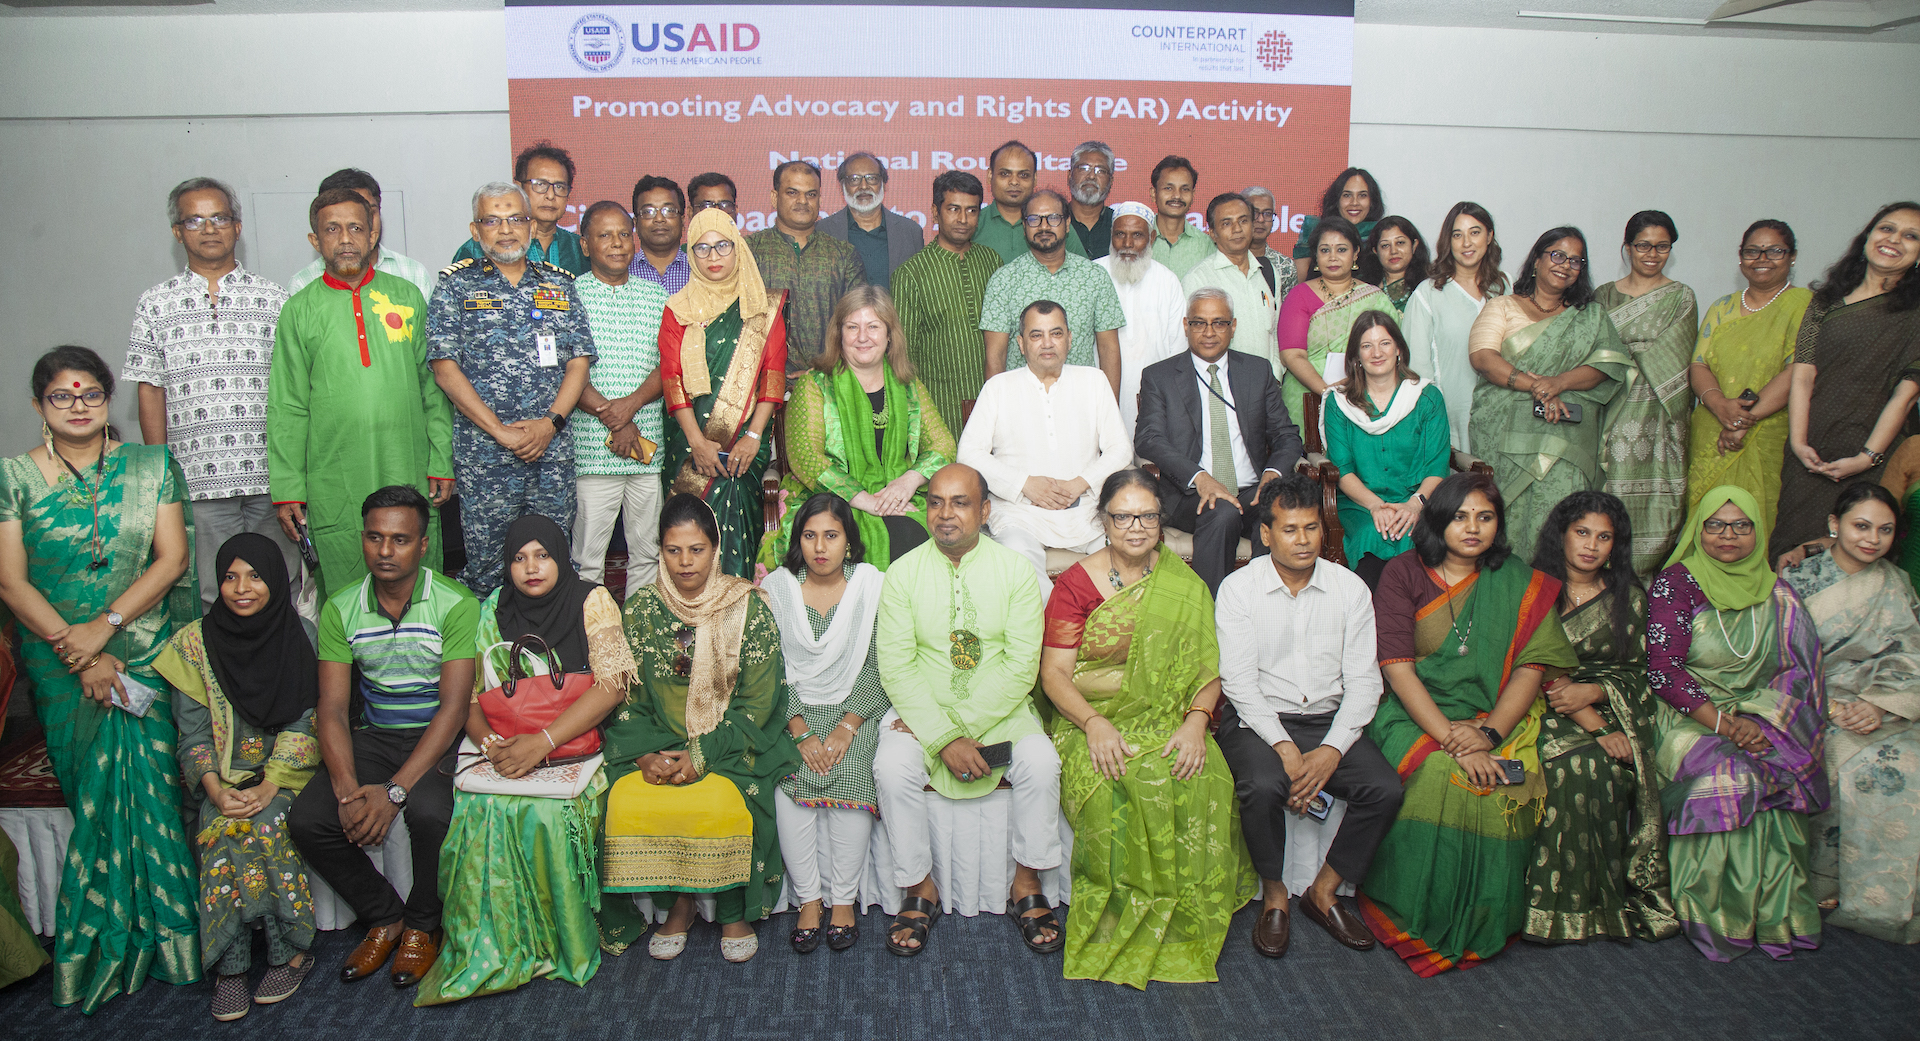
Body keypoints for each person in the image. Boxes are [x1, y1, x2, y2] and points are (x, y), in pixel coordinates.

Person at [0, 346, 200, 1012]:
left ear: (107, 399)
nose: (78, 405)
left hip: (140, 646)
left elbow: (171, 560)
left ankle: (169, 937)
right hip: (60, 665)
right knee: (92, 790)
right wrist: (80, 653)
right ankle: (101, 937)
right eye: (62, 396)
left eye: (90, 394)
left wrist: (107, 627)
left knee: (151, 788)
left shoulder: (152, 466)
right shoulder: (14, 478)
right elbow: (10, 579)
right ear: (39, 405)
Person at [1359, 472, 1580, 976]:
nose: (1473, 528)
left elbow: (1532, 665)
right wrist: (1451, 739)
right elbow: (1396, 666)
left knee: (1499, 786)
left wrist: (1488, 735)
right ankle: (1416, 913)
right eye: (1460, 516)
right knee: (1442, 775)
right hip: (1415, 714)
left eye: (1485, 517)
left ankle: (1484, 917)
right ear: (1438, 520)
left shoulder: (1518, 580)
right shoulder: (1403, 573)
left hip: (1497, 716)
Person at [1039, 469, 1253, 985]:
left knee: (1200, 773)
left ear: (1161, 520)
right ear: (1104, 521)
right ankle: (1120, 917)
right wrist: (1092, 724)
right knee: (1124, 778)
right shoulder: (1076, 585)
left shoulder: (1183, 582)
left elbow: (1206, 667)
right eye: (1123, 516)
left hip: (1168, 718)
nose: (1136, 526)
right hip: (1086, 720)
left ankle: (1185, 914)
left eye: (1148, 515)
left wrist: (1197, 723)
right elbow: (1053, 675)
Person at [415, 515, 633, 1004]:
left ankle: (560, 944)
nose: (531, 568)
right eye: (519, 558)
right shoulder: (490, 608)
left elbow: (614, 684)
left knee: (549, 815)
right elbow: (469, 698)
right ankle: (495, 946)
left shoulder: (591, 600)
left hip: (572, 748)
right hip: (507, 745)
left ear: (560, 556)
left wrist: (544, 741)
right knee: (480, 811)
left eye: (542, 555)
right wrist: (493, 747)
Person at [287, 486, 478, 990]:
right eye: (375, 538)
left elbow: (455, 708)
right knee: (309, 820)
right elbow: (330, 708)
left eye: (399, 539)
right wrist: (349, 790)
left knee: (430, 813)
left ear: (422, 544)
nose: (385, 551)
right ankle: (384, 916)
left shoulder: (455, 603)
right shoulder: (342, 607)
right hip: (376, 734)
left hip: (436, 735)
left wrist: (395, 791)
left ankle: (421, 924)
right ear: (363, 540)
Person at [598, 494, 796, 963]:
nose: (686, 563)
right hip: (659, 743)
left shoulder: (746, 607)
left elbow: (760, 701)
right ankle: (678, 904)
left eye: (697, 549)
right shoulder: (644, 608)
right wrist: (645, 753)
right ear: (660, 551)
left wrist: (703, 752)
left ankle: (732, 909)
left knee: (724, 796)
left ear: (717, 547)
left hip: (732, 742)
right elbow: (628, 696)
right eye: (673, 550)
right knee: (626, 794)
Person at [872, 464, 1061, 956]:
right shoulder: (902, 574)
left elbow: (1022, 667)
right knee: (891, 766)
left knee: (1040, 761)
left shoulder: (1016, 572)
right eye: (936, 502)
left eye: (960, 503)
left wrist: (956, 733)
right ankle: (919, 886)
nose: (946, 514)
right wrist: (942, 736)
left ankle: (1026, 880)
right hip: (922, 712)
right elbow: (895, 666)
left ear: (985, 510)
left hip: (1001, 713)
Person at [1213, 476, 1400, 960]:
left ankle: (1324, 890)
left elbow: (1364, 684)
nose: (1303, 540)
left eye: (1312, 528)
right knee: (1261, 786)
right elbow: (1237, 682)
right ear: (1267, 535)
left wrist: (1331, 751)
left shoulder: (1350, 589)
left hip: (1327, 719)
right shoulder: (1238, 589)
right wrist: (1284, 748)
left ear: (1324, 531)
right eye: (1290, 530)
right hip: (1258, 719)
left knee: (1384, 789)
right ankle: (1275, 895)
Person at [1648, 486, 1827, 961]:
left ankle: (1776, 918)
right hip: (1689, 715)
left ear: (1758, 530)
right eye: (1715, 524)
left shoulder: (1779, 593)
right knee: (1732, 775)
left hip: (1761, 715)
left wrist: (1759, 720)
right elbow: (1664, 669)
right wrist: (1725, 723)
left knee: (1773, 771)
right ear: (1698, 528)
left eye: (1741, 525)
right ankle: (1714, 914)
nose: (1728, 535)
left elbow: (1799, 669)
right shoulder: (1678, 583)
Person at [154, 533, 321, 1020]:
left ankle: (287, 952)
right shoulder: (191, 645)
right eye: (230, 576)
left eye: (255, 576)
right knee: (221, 824)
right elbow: (192, 734)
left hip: (286, 773)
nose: (242, 588)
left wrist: (272, 782)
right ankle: (230, 964)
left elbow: (306, 718)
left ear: (274, 580)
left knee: (265, 822)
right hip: (222, 778)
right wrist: (216, 790)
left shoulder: (300, 635)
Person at [270, 188, 454, 600]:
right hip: (334, 473)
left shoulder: (406, 297)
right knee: (346, 578)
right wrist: (287, 488)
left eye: (356, 227)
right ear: (315, 242)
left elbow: (433, 387)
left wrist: (441, 460)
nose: (346, 239)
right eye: (332, 229)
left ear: (373, 235)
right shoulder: (299, 310)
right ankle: (349, 665)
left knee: (416, 576)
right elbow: (287, 405)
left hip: (406, 460)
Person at [126, 176, 297, 607]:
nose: (208, 228)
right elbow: (151, 389)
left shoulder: (275, 298)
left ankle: (286, 674)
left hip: (271, 478)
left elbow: (296, 388)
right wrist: (159, 469)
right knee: (211, 592)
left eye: (219, 217)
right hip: (196, 479)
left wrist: (295, 471)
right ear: (177, 231)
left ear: (237, 227)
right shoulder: (155, 303)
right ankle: (218, 674)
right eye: (195, 220)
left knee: (282, 586)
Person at [1524, 492, 1680, 943]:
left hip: (1610, 703)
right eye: (1582, 532)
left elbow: (1640, 672)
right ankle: (1546, 909)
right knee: (1571, 765)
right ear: (1562, 534)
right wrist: (1591, 719)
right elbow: (1521, 662)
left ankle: (1597, 906)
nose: (1591, 545)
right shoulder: (1533, 588)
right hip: (1535, 702)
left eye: (1604, 537)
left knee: (1608, 768)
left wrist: (1595, 693)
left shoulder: (1628, 597)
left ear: (1617, 544)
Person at [1780, 483, 1920, 943]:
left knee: (1910, 763)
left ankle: (1889, 895)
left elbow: (1911, 655)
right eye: (1861, 526)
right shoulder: (1796, 582)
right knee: (1858, 764)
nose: (1872, 539)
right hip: (1812, 704)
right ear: (1833, 525)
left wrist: (1879, 704)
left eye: (1884, 530)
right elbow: (1778, 659)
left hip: (1885, 703)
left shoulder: (1894, 583)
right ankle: (1829, 883)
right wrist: (1834, 706)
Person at [763, 495, 890, 953]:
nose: (821, 547)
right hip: (791, 709)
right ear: (798, 541)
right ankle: (809, 900)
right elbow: (770, 669)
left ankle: (844, 900)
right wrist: (799, 730)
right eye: (810, 535)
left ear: (849, 542)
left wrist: (847, 726)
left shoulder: (872, 586)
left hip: (856, 707)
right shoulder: (777, 589)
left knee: (850, 770)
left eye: (831, 535)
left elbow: (880, 662)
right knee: (790, 779)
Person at [759, 286, 954, 570]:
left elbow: (944, 445)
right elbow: (807, 459)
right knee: (880, 538)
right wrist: (865, 501)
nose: (863, 337)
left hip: (897, 496)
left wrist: (907, 482)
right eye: (853, 327)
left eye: (873, 326)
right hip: (827, 499)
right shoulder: (815, 385)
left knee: (928, 536)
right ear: (839, 335)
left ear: (889, 335)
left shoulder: (909, 386)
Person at [1467, 226, 1628, 562]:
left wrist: (1560, 383)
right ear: (1537, 260)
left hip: (1567, 440)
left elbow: (1607, 365)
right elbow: (1483, 358)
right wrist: (1539, 387)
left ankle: (1557, 594)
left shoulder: (1591, 316)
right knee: (1507, 518)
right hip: (1504, 437)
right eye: (1557, 255)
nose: (1565, 264)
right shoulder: (1502, 306)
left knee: (1564, 513)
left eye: (1575, 260)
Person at [1773, 202, 1920, 560]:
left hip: (1874, 456)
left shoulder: (1914, 314)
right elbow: (1803, 374)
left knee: (1860, 552)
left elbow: (1906, 394)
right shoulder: (1824, 301)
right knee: (1791, 553)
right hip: (1809, 452)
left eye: (1911, 236)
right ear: (1868, 235)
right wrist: (1798, 443)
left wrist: (1866, 458)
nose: (1894, 239)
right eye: (1887, 228)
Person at [1135, 288, 1304, 592]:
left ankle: (1264, 612)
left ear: (1233, 326)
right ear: (1186, 326)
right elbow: (1149, 438)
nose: (1209, 333)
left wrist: (1272, 476)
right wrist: (1199, 478)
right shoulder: (1159, 376)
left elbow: (1286, 435)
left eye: (1219, 323)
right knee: (1222, 512)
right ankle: (1211, 617)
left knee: (1277, 510)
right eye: (1199, 323)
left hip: (1252, 489)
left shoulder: (1256, 371)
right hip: (1189, 496)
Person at [959, 301, 1131, 589]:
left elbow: (1121, 450)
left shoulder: (1094, 381)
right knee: (1017, 564)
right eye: (1036, 335)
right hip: (1020, 513)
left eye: (1056, 333)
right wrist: (1025, 483)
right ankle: (1052, 630)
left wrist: (1080, 482)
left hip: (1086, 510)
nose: (1047, 343)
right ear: (1021, 344)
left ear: (1070, 339)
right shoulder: (998, 387)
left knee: (1123, 566)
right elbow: (968, 454)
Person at [658, 209, 788, 579]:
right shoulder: (677, 309)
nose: (713, 257)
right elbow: (673, 381)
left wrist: (752, 436)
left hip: (743, 447)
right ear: (690, 253)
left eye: (722, 246)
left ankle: (737, 623)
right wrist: (697, 442)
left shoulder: (763, 307)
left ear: (738, 248)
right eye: (702, 248)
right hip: (688, 445)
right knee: (687, 539)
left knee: (738, 543)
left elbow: (772, 378)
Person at [1687, 219, 1810, 533]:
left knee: (1754, 523)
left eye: (1775, 251)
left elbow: (1796, 370)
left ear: (1792, 256)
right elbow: (1698, 366)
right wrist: (1719, 405)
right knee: (1705, 521)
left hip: (1766, 432)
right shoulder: (1721, 307)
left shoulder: (1805, 306)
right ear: (1741, 257)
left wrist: (1743, 421)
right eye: (1753, 251)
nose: (1762, 259)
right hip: (1711, 429)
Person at [570, 201, 667, 597]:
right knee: (588, 557)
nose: (617, 243)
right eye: (604, 235)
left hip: (647, 450)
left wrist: (630, 407)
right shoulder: (569, 296)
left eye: (624, 234)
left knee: (647, 552)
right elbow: (566, 370)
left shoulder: (657, 296)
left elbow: (669, 365)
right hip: (592, 450)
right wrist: (617, 418)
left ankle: (639, 632)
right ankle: (590, 638)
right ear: (585, 244)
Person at [1597, 211, 1698, 575]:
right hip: (1610, 410)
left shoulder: (1681, 297)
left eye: (1662, 246)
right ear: (1627, 248)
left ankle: (1643, 583)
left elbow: (1674, 358)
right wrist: (1624, 354)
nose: (1652, 254)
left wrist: (1623, 352)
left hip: (1660, 416)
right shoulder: (1604, 295)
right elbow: (1592, 351)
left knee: (1661, 497)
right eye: (1643, 245)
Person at [1321, 312, 1449, 583]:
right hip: (1359, 505)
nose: (1377, 353)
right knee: (1371, 533)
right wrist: (1377, 506)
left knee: (1413, 533)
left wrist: (1414, 505)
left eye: (1385, 343)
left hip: (1417, 501)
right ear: (1356, 356)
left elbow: (1437, 465)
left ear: (1399, 349)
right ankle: (1374, 620)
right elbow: (1342, 469)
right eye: (1367, 346)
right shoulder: (1339, 403)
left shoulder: (1427, 398)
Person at [892, 171, 1004, 437]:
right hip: (939, 410)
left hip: (996, 405)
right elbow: (902, 356)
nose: (963, 219)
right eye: (953, 209)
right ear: (935, 211)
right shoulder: (911, 274)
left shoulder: (993, 263)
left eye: (971, 210)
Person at [979, 188, 1125, 391]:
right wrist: (1000, 412)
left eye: (1053, 218)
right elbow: (995, 356)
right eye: (1034, 219)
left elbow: (1109, 350)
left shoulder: (1094, 276)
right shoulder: (1004, 280)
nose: (1044, 226)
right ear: (1024, 227)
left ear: (1067, 224)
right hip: (1022, 403)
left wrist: (1109, 409)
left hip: (1080, 401)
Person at [1276, 216, 1397, 431]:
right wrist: (1327, 394)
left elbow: (1393, 352)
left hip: (1366, 398)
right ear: (1315, 254)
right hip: (1306, 399)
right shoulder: (1299, 296)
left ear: (1356, 253)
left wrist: (1356, 392)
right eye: (1324, 250)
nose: (1333, 257)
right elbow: (1292, 355)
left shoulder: (1374, 298)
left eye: (1341, 250)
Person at [1402, 202, 1506, 453]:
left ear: (1489, 236)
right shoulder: (1429, 293)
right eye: (1457, 235)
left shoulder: (1505, 288)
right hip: (1451, 422)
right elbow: (1416, 368)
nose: (1466, 243)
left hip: (1505, 414)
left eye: (1475, 232)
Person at [746, 160, 865, 374]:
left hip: (830, 383)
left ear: (820, 199)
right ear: (775, 198)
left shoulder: (843, 255)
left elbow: (858, 323)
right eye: (792, 193)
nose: (803, 201)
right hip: (762, 387)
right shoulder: (750, 251)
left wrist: (824, 372)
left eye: (811, 194)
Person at [1097, 203, 1188, 439]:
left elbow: (1178, 349)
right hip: (1099, 398)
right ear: (1111, 236)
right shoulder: (1093, 274)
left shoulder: (1167, 281)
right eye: (1120, 234)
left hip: (1153, 401)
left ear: (1152, 238)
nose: (1127, 244)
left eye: (1137, 235)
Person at [287, 168, 438, 299]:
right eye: (334, 227)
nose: (347, 237)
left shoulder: (413, 273)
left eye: (370, 213)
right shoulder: (303, 283)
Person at [450, 142, 587, 276]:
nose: (550, 195)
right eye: (539, 184)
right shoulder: (477, 249)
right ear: (518, 188)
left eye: (559, 187)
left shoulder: (581, 250)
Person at [1182, 193, 1279, 365]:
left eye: (1243, 221)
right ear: (1212, 233)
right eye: (1227, 223)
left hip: (1266, 386)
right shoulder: (1199, 278)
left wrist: (1275, 378)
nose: (1237, 229)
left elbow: (1276, 334)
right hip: (1220, 386)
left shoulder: (1268, 273)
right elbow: (1191, 342)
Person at [819, 151, 924, 290]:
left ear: (884, 184)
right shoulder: (822, 231)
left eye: (871, 178)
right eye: (854, 179)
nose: (863, 186)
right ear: (842, 186)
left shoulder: (910, 232)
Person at [975, 140, 1088, 263]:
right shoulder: (973, 224)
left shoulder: (1054, 224)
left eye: (1023, 175)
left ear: (1034, 179)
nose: (1014, 182)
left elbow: (1083, 272)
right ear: (990, 176)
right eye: (1005, 174)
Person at [1293, 168, 1383, 266]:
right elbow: (1301, 278)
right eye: (1347, 195)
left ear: (1372, 201)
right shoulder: (1314, 229)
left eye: (1362, 195)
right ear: (1336, 200)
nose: (1354, 202)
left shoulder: (1381, 234)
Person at [1147, 156, 1215, 278]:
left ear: (1193, 195)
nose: (1177, 196)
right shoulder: (1139, 239)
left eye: (1185, 189)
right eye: (1168, 188)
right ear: (1154, 193)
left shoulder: (1206, 245)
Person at [629, 174, 692, 294]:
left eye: (668, 211)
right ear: (636, 223)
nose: (659, 219)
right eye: (648, 212)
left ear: (683, 221)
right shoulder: (622, 273)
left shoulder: (699, 271)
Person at [1358, 216, 1429, 312]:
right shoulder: (1362, 290)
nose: (1393, 251)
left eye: (1400, 243)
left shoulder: (1430, 286)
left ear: (1414, 245)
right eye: (1385, 245)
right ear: (1375, 251)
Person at [1242, 186, 1299, 300]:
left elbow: (1286, 313)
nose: (1261, 219)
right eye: (1254, 212)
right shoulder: (1225, 259)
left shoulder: (1285, 266)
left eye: (1267, 213)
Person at [1066, 141, 1116, 259]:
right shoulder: (1055, 222)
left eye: (1100, 171)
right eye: (1084, 168)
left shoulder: (1119, 224)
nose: (1091, 176)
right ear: (1069, 175)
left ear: (1111, 181)